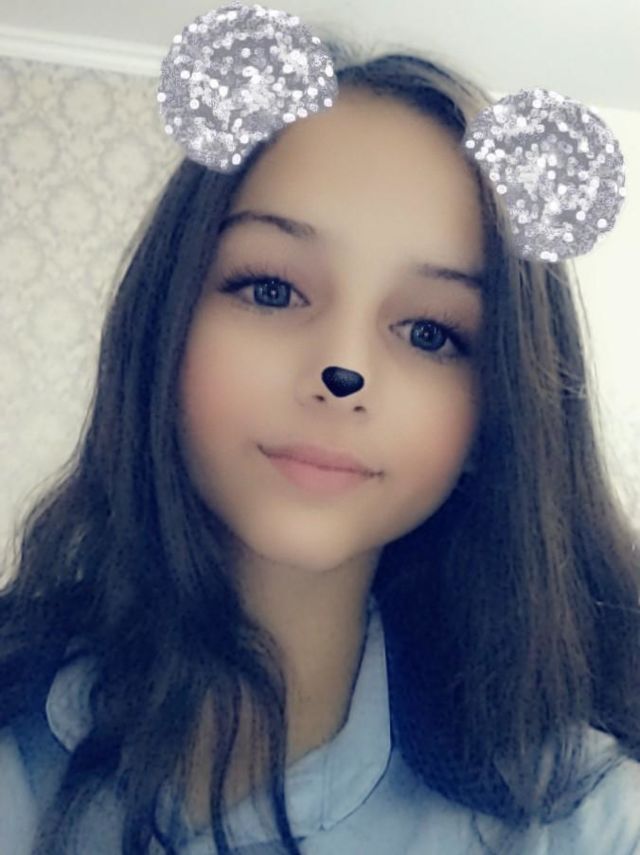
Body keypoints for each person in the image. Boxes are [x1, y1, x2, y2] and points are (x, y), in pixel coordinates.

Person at [1, 29, 639, 855]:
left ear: (499, 411)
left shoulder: (585, 819)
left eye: (431, 331)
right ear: (165, 322)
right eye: (271, 288)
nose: (344, 369)